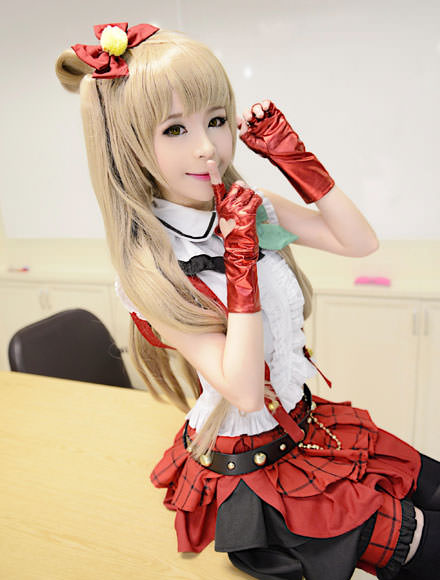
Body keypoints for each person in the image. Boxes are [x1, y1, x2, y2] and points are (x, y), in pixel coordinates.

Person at [56, 22, 440, 580]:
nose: (207, 147)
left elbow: (358, 242)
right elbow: (241, 388)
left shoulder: (245, 206)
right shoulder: (149, 267)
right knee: (426, 546)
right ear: (129, 145)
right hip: (258, 466)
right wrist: (239, 260)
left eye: (216, 121)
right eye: (175, 129)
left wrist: (295, 159)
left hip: (308, 425)